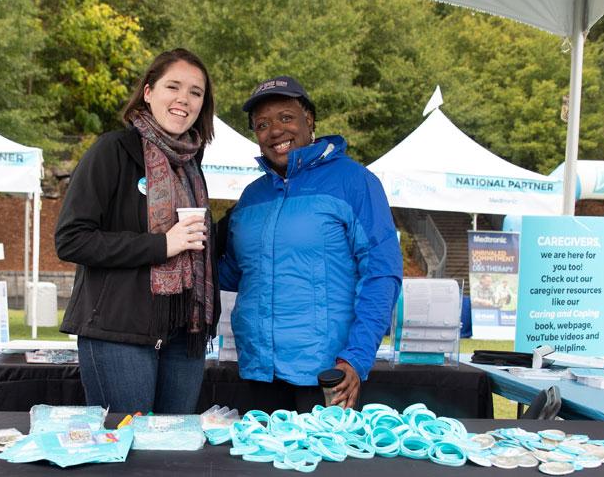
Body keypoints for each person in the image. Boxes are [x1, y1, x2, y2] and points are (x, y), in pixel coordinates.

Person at [218, 75, 403, 411]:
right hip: (259, 372)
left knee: (320, 464)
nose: (275, 131)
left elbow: (382, 274)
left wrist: (356, 358)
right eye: (262, 124)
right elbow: (232, 274)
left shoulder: (355, 182)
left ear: (309, 119)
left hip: (325, 375)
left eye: (286, 118)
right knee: (257, 463)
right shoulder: (250, 197)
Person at [55, 48, 221, 414]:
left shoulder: (191, 165)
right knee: (128, 457)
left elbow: (200, 248)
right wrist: (162, 245)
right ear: (148, 92)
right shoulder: (113, 150)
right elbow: (71, 239)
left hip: (184, 336)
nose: (184, 99)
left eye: (196, 92)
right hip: (119, 334)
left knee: (171, 455)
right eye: (173, 86)